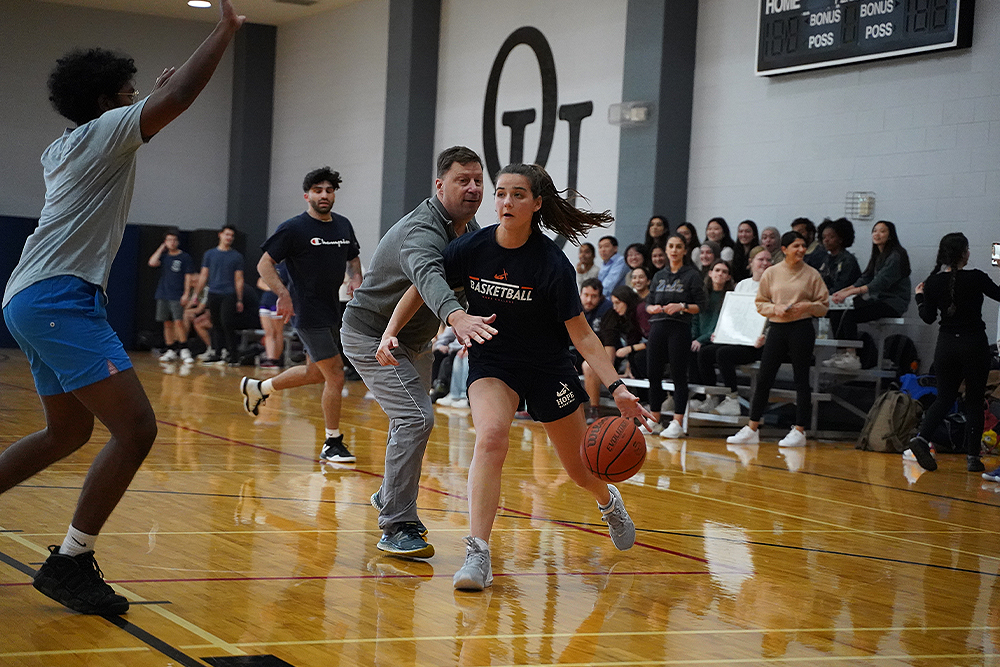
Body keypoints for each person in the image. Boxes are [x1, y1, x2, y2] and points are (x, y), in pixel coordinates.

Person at [0, 0, 244, 616]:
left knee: (69, 431)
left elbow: (157, 104)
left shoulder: (69, 142)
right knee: (135, 429)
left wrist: (146, 101)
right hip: (59, 296)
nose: (140, 97)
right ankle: (72, 562)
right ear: (110, 100)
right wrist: (224, 29)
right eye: (130, 91)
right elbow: (183, 93)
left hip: (32, 295)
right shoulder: (104, 133)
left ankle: (72, 559)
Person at [375, 162, 650, 592]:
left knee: (580, 469)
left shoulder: (553, 265)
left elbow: (583, 335)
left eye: (518, 194)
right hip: (494, 364)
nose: (505, 201)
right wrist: (390, 332)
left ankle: (606, 501)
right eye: (501, 193)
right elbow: (421, 285)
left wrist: (617, 388)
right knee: (491, 437)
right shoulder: (472, 247)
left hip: (547, 368)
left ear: (536, 204)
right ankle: (478, 553)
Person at [340, 146, 497, 559]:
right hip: (371, 334)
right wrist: (457, 317)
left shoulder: (468, 227)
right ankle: (396, 524)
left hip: (415, 341)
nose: (474, 188)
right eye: (463, 180)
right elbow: (428, 278)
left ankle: (390, 496)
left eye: (478, 180)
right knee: (414, 417)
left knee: (408, 421)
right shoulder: (422, 231)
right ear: (440, 185)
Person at [240, 167, 362, 462]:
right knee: (335, 376)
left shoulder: (343, 226)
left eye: (329, 190)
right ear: (307, 195)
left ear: (334, 194)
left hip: (333, 308)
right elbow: (264, 265)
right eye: (318, 190)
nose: (324, 195)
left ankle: (259, 388)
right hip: (306, 311)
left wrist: (356, 278)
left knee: (313, 373)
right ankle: (332, 442)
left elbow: (353, 257)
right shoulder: (294, 228)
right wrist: (283, 294)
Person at [906, 233, 1000, 474]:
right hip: (973, 344)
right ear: (964, 253)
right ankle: (972, 457)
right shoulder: (977, 277)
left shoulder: (933, 282)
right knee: (975, 401)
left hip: (946, 345)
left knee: (944, 398)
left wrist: (919, 297)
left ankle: (921, 438)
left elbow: (927, 318)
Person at [727, 232, 829, 448]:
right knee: (765, 377)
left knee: (801, 378)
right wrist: (776, 308)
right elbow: (760, 302)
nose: (801, 250)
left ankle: (800, 430)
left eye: (803, 246)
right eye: (796, 246)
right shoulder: (772, 273)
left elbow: (823, 305)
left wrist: (808, 306)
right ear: (784, 249)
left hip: (802, 328)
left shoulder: (812, 274)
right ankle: (752, 428)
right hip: (777, 328)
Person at [827, 220, 912, 370]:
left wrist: (850, 292)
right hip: (878, 299)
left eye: (882, 231)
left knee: (849, 312)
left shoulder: (896, 256)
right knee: (836, 310)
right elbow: (865, 278)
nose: (877, 234)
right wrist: (842, 292)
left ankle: (852, 356)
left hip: (892, 302)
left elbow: (878, 283)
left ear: (890, 235)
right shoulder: (878, 255)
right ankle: (841, 353)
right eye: (874, 231)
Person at [646, 233, 705, 438]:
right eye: (670, 246)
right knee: (653, 374)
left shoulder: (692, 275)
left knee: (679, 375)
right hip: (657, 327)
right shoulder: (659, 276)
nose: (674, 250)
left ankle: (677, 423)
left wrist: (682, 306)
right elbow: (648, 302)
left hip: (679, 328)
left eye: (678, 246)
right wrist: (652, 308)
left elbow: (701, 306)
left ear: (684, 250)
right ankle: (654, 420)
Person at [708, 246, 773, 416]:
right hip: (738, 338)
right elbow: (733, 313)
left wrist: (766, 336)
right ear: (751, 262)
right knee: (704, 352)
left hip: (758, 343)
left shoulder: (775, 286)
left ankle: (732, 399)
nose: (765, 263)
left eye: (768, 260)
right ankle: (711, 396)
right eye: (761, 259)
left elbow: (775, 318)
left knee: (723, 354)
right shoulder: (743, 285)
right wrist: (721, 331)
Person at [583, 285, 646, 423]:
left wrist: (630, 350)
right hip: (627, 356)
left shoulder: (640, 311)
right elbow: (611, 340)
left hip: (649, 351)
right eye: (613, 303)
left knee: (638, 357)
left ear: (627, 301)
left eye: (618, 303)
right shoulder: (615, 315)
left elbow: (651, 340)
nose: (614, 307)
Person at [192, 224, 245, 364]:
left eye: (231, 236)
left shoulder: (236, 256)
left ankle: (233, 354)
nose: (229, 238)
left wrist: (239, 299)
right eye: (227, 234)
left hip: (228, 293)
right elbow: (204, 275)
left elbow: (239, 279)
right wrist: (196, 295)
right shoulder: (209, 254)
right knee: (215, 324)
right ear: (220, 235)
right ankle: (217, 352)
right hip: (213, 292)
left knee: (227, 323)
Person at [688, 260, 735, 412]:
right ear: (710, 273)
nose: (720, 274)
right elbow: (695, 319)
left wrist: (701, 340)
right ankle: (696, 397)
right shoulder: (701, 295)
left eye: (724, 272)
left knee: (704, 353)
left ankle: (712, 396)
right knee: (688, 350)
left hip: (718, 338)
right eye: (717, 270)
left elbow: (721, 324)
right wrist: (694, 338)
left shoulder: (729, 297)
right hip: (700, 338)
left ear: (728, 277)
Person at [147, 229, 197, 363]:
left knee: (178, 322)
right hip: (163, 293)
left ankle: (184, 349)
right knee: (167, 323)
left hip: (177, 294)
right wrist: (162, 248)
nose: (172, 242)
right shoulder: (164, 257)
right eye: (169, 240)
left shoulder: (184, 257)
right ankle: (170, 349)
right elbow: (152, 262)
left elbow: (188, 277)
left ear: (178, 242)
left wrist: (186, 293)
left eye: (174, 240)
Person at [255, 262, 290, 368]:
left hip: (278, 301)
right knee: (268, 332)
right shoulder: (269, 265)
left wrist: (276, 288)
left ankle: (276, 359)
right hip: (265, 300)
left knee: (278, 332)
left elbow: (286, 285)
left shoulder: (286, 267)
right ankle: (270, 358)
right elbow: (260, 282)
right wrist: (272, 287)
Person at [816, 217, 861, 293]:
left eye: (831, 237)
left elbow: (841, 286)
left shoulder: (848, 261)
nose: (826, 240)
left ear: (840, 239)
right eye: (824, 237)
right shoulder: (826, 259)